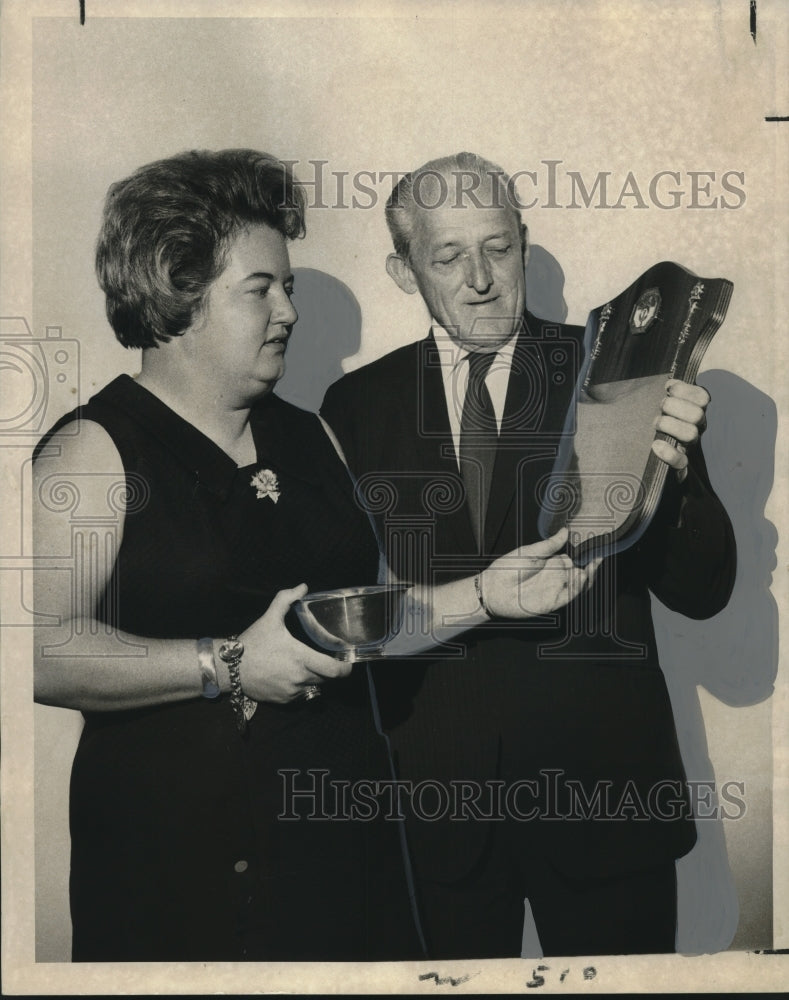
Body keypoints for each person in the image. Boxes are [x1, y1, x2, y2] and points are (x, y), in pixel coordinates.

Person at [32, 149, 593, 963]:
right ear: (175, 292)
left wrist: (483, 595)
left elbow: (362, 616)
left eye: (288, 286)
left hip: (345, 869)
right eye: (260, 288)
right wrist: (224, 662)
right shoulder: (95, 449)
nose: (288, 310)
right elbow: (30, 650)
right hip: (179, 880)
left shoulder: (309, 434)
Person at [321, 151, 736, 958]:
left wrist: (678, 478)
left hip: (606, 810)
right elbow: (355, 616)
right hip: (435, 820)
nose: (479, 278)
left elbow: (703, 590)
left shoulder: (617, 372)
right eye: (446, 256)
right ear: (403, 272)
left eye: (497, 247)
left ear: (522, 241)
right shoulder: (354, 406)